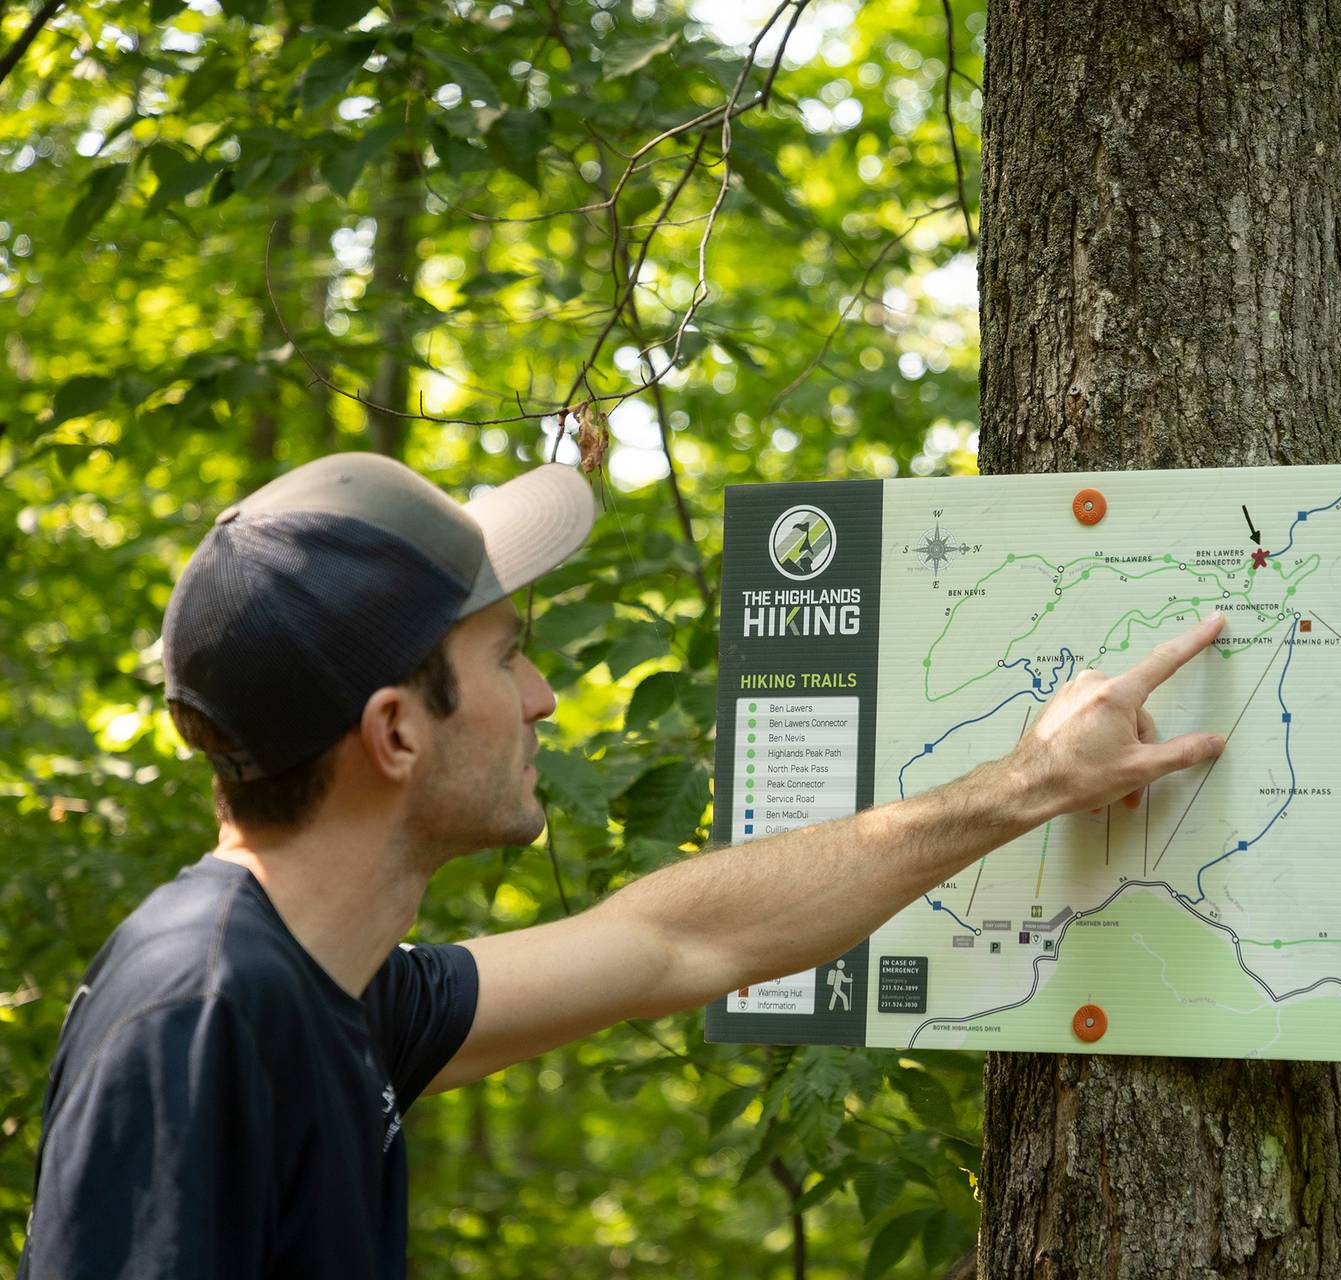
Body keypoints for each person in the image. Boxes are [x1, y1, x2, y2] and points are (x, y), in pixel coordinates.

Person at [20, 452, 1228, 1278]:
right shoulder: (203, 1007)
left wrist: (1028, 784)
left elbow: (678, 939)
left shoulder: (336, 991)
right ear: (396, 731)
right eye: (507, 658)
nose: (543, 697)